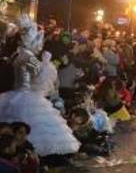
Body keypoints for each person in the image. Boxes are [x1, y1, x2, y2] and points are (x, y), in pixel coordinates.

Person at [0, 16, 80, 156]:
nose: (40, 44)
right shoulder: (29, 57)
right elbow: (41, 77)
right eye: (38, 40)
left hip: (15, 93)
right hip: (27, 96)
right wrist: (47, 64)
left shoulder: (17, 54)